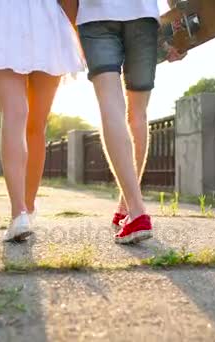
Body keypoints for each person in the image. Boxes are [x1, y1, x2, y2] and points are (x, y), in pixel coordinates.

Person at [0, 0, 85, 242]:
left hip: (6, 16)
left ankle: (19, 212)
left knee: (13, 115)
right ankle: (28, 208)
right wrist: (78, 34)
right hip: (49, 19)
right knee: (36, 126)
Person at [75, 0, 185, 244]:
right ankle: (126, 206)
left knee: (111, 108)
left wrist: (72, 30)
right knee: (138, 115)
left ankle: (135, 212)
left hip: (95, 16)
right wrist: (181, 32)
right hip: (142, 17)